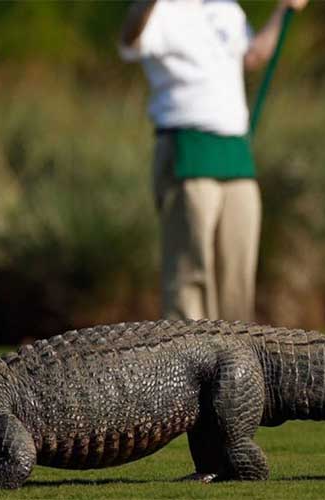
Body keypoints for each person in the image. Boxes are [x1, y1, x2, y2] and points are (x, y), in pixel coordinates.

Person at [120, 0, 307, 322]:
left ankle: (237, 350)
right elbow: (130, 40)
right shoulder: (160, 11)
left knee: (237, 274)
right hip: (186, 147)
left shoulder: (226, 10)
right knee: (189, 273)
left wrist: (282, 11)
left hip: (236, 153)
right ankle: (186, 351)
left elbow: (253, 55)